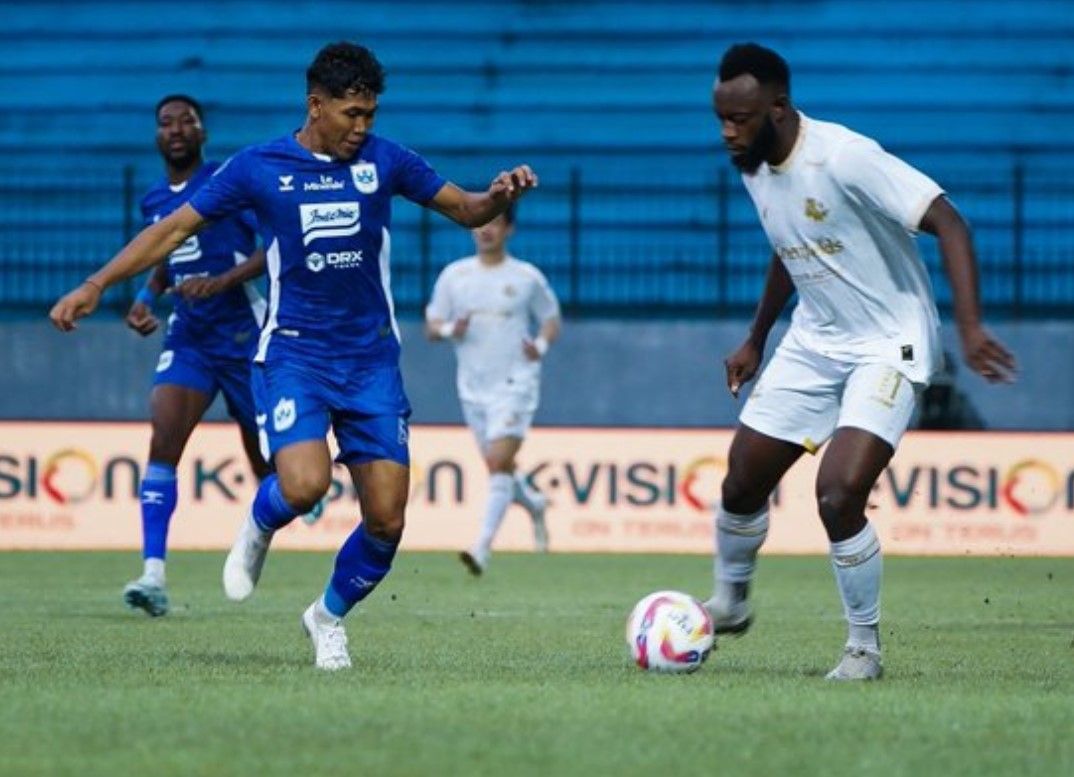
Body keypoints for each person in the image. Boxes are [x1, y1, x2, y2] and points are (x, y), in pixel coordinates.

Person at [50, 41, 537, 670]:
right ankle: (258, 525)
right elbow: (170, 230)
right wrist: (96, 285)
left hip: (371, 363)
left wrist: (499, 195)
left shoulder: (385, 162)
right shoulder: (258, 167)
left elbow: (465, 207)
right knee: (304, 485)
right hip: (294, 354)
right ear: (317, 105)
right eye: (351, 113)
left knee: (387, 522)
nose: (363, 127)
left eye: (370, 115)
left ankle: (326, 617)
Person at [704, 43, 1016, 681]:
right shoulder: (754, 163)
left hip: (888, 342)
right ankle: (731, 602)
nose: (728, 133)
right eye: (721, 119)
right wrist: (756, 338)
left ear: (779, 108)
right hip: (815, 340)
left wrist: (970, 327)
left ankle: (863, 650)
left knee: (838, 493)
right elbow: (789, 245)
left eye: (739, 119)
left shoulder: (846, 158)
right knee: (740, 483)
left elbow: (951, 224)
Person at [121, 94, 271, 617]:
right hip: (189, 337)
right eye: (166, 122)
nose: (177, 128)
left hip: (244, 337)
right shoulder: (154, 200)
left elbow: (273, 245)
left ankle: (290, 499)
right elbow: (165, 256)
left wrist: (224, 280)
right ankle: (153, 575)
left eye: (187, 120)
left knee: (268, 463)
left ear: (203, 132)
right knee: (163, 437)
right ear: (157, 136)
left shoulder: (228, 182)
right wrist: (145, 298)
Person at [424, 204, 561, 576]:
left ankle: (480, 548)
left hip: (516, 382)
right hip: (473, 387)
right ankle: (533, 503)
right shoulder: (455, 276)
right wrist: (453, 329)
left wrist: (541, 346)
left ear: (509, 229)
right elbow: (431, 326)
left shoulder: (526, 277)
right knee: (498, 465)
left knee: (499, 461)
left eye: (495, 223)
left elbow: (551, 320)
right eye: (480, 223)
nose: (486, 230)